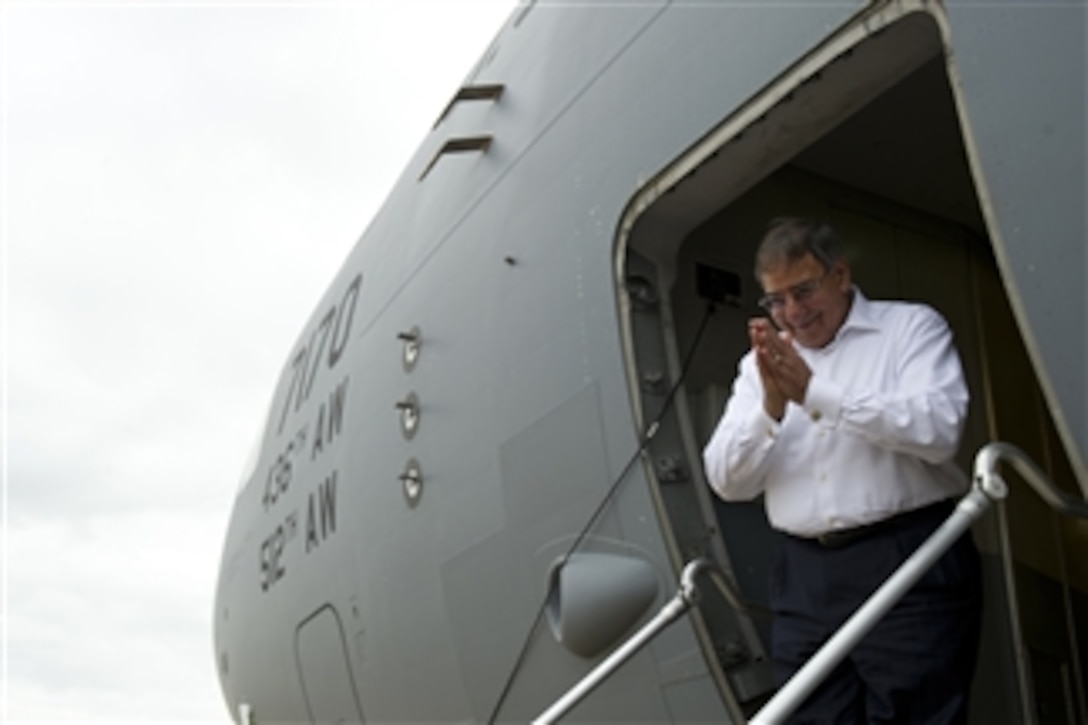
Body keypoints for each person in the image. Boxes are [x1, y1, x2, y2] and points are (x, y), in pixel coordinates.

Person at [702, 218, 982, 724]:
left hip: (907, 554)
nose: (793, 313)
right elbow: (727, 481)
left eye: (804, 291)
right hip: (804, 573)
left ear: (841, 274)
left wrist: (817, 395)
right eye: (776, 300)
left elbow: (940, 431)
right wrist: (770, 406)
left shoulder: (911, 328)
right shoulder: (758, 366)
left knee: (914, 714)